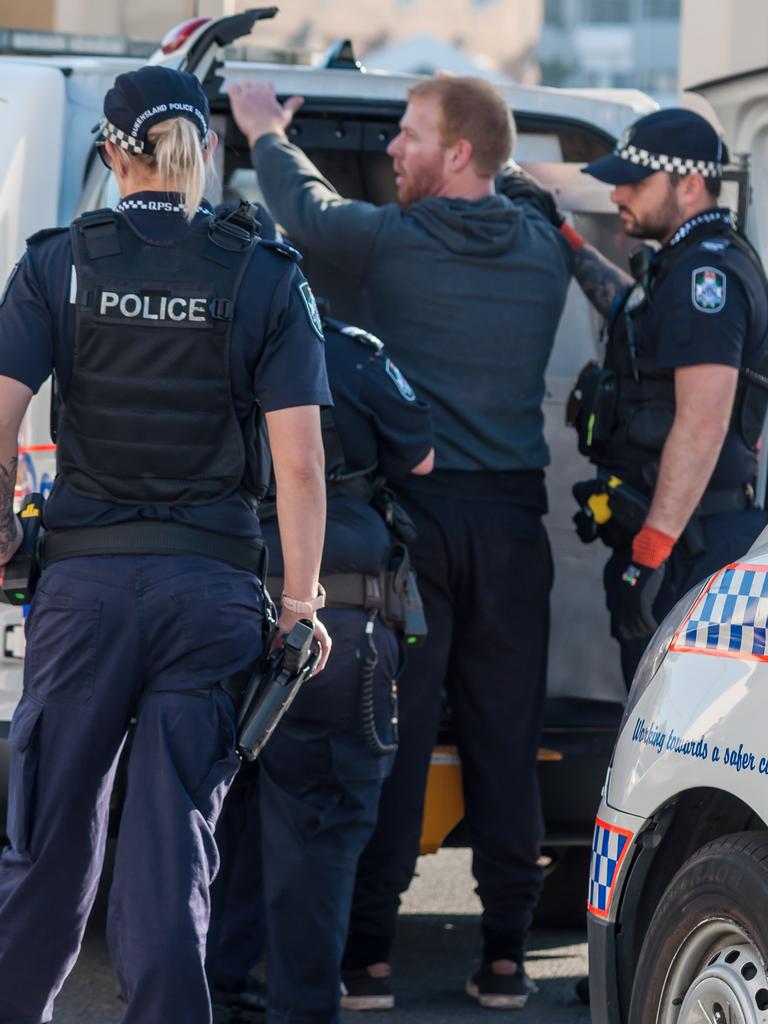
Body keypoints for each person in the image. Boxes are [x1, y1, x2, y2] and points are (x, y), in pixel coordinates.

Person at [228, 74, 573, 1009]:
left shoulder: (395, 242)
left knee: (394, 734)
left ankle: (368, 958)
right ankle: (506, 956)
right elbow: (563, 226)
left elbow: (304, 207)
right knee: (507, 737)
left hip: (415, 530)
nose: (395, 151)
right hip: (513, 526)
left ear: (458, 152)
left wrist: (264, 127)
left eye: (412, 137)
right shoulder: (546, 253)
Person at [0, 65, 332, 1024]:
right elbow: (302, 468)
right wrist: (303, 604)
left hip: (86, 597)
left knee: (50, 841)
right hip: (211, 600)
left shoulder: (58, 263)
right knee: (171, 855)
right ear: (206, 154)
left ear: (112, 154)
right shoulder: (265, 274)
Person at [206, 310, 434, 1024]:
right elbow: (421, 456)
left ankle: (215, 991)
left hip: (212, 608)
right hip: (329, 625)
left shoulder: (199, 338)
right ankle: (301, 1008)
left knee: (218, 820)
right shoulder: (349, 350)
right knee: (319, 829)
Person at [564, 107, 768, 686]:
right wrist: (569, 240)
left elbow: (702, 424)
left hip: (689, 548)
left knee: (669, 733)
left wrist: (650, 554)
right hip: (681, 540)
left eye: (636, 181)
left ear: (690, 184)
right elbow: (636, 316)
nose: (618, 193)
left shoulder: (708, 276)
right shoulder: (686, 263)